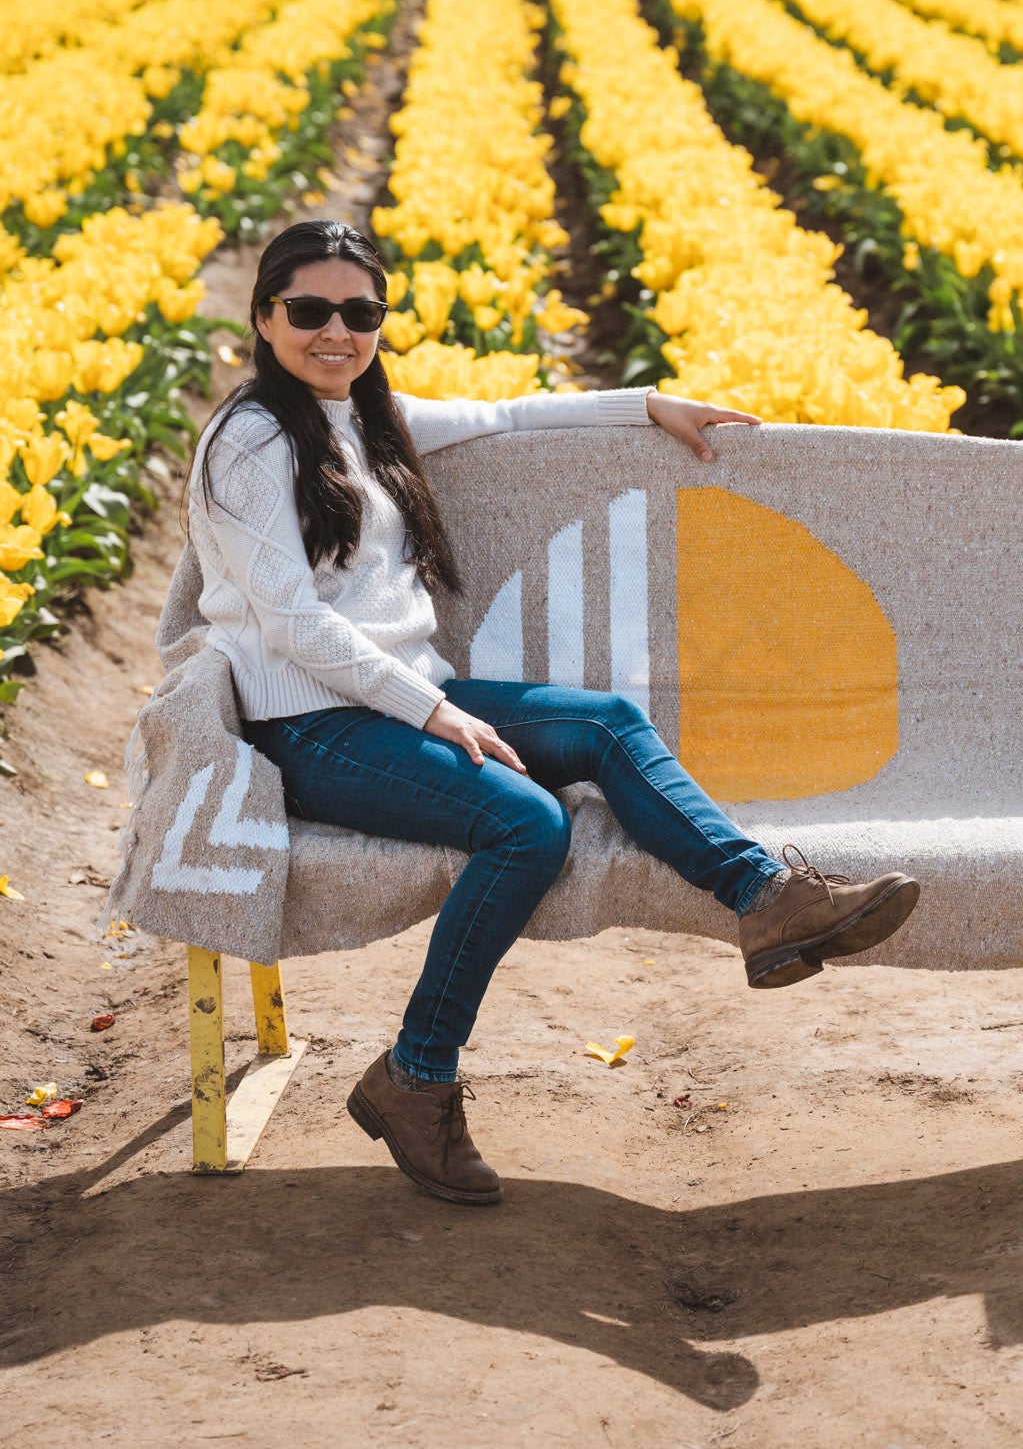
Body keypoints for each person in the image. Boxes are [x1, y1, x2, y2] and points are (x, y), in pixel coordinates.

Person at [188, 220, 921, 1204]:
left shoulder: (363, 415)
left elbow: (505, 414)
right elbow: (290, 623)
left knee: (604, 721)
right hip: (308, 723)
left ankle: (765, 899)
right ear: (264, 315)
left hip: (399, 699)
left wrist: (648, 403)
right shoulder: (246, 443)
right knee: (525, 821)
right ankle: (416, 1075)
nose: (337, 331)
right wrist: (433, 713)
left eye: (360, 312)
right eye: (310, 310)